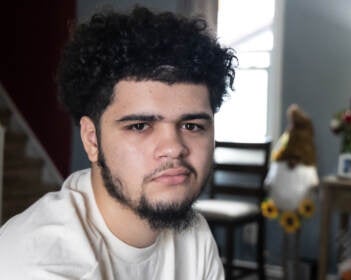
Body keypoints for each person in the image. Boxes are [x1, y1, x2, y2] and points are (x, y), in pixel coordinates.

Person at [0, 6, 236, 280]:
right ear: (92, 139)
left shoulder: (194, 234)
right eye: (140, 126)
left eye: (192, 125)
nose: (174, 147)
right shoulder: (40, 266)